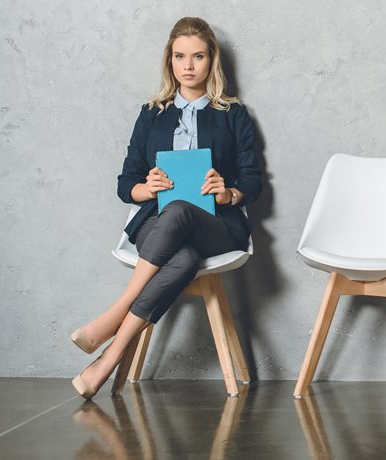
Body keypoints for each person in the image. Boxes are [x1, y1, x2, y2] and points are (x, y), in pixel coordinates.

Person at [70, 17, 262, 399]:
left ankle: (117, 312)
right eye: (180, 56)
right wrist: (145, 187)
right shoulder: (151, 113)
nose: (188, 65)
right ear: (169, 61)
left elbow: (253, 180)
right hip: (155, 225)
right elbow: (126, 183)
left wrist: (229, 193)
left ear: (212, 61)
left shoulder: (233, 114)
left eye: (198, 56)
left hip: (215, 224)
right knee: (183, 257)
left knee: (179, 211)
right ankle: (107, 361)